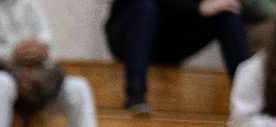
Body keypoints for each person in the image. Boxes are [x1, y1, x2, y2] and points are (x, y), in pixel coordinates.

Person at [106, 0, 253, 115]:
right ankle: (135, 92)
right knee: (146, 5)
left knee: (227, 12)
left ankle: (252, 97)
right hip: (130, 33)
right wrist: (198, 7)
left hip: (171, 37)